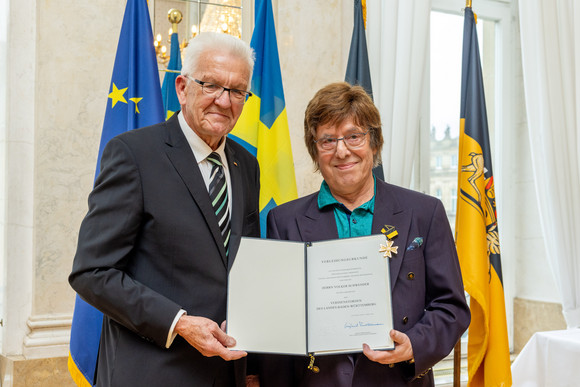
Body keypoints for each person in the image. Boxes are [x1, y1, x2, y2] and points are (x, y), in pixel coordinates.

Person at [69, 32, 260, 387]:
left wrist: (254, 368)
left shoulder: (246, 165)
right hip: (152, 371)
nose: (224, 100)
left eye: (237, 91)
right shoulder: (134, 154)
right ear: (182, 87)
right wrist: (180, 323)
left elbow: (243, 266)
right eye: (211, 85)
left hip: (226, 371)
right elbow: (92, 271)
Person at [255, 82, 470, 386]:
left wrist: (415, 345)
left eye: (353, 136)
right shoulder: (284, 221)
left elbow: (451, 306)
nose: (342, 151)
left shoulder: (425, 212)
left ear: (374, 142)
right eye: (328, 140)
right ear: (316, 151)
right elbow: (276, 320)